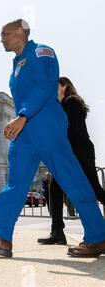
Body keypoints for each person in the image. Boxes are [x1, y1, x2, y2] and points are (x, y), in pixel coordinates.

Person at [0, 19, 105, 258]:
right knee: (15, 183)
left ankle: (98, 237)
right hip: (26, 133)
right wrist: (21, 121)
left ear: (21, 31)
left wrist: (22, 116)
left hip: (46, 126)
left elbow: (45, 85)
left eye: (5, 33)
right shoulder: (16, 64)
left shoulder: (42, 51)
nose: (1, 39)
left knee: (72, 180)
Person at [38, 77, 105, 245]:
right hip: (67, 153)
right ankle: (57, 232)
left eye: (56, 86)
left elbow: (70, 130)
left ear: (64, 87)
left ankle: (61, 232)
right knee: (54, 188)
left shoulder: (72, 102)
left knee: (94, 188)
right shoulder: (62, 105)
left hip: (80, 151)